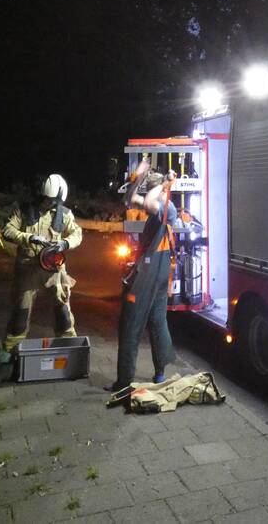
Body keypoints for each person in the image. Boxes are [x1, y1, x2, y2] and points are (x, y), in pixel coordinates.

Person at [105, 160, 177, 392]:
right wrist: (137, 178)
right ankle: (160, 372)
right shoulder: (157, 205)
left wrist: (164, 183)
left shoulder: (166, 207)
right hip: (158, 271)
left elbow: (146, 201)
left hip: (151, 273)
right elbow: (129, 200)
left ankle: (124, 381)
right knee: (157, 322)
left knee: (130, 324)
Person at [0, 173, 83, 352]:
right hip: (27, 269)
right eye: (47, 200)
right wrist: (30, 238)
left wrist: (65, 243)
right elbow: (7, 230)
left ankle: (70, 351)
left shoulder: (64, 214)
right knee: (20, 316)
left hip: (54, 271)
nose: (49, 204)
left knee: (64, 314)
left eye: (53, 201)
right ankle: (9, 354)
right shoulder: (23, 210)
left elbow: (77, 234)